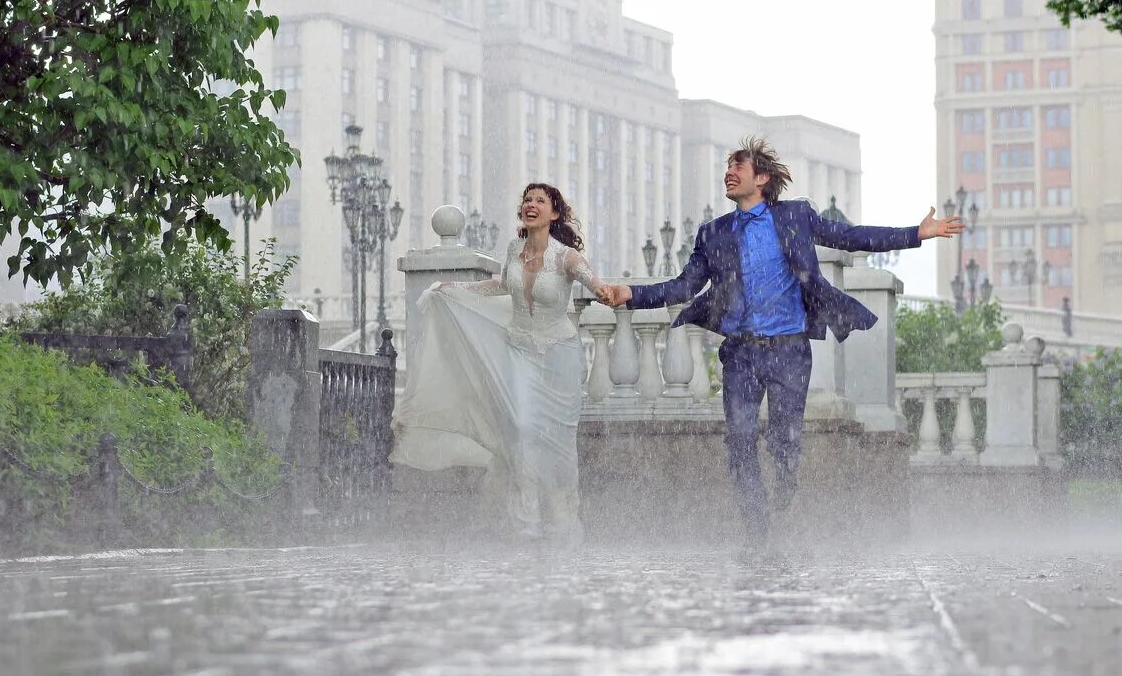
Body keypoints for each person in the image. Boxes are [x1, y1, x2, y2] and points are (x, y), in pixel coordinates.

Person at [597, 136, 964, 546]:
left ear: (762, 177)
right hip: (740, 352)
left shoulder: (795, 216)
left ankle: (786, 478)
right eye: (728, 167)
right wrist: (632, 294)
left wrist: (916, 232)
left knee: (784, 441)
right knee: (739, 440)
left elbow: (851, 237)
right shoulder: (714, 233)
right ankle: (756, 525)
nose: (729, 173)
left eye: (739, 166)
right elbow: (684, 286)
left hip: (789, 349)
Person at [391, 183, 605, 542]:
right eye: (527, 199)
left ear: (554, 214)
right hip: (520, 351)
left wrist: (606, 291)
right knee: (521, 427)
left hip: (560, 358)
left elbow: (593, 283)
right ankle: (526, 519)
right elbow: (502, 285)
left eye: (540, 201)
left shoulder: (566, 257)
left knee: (558, 441)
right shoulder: (512, 250)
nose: (531, 204)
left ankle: (562, 517)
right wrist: (454, 290)